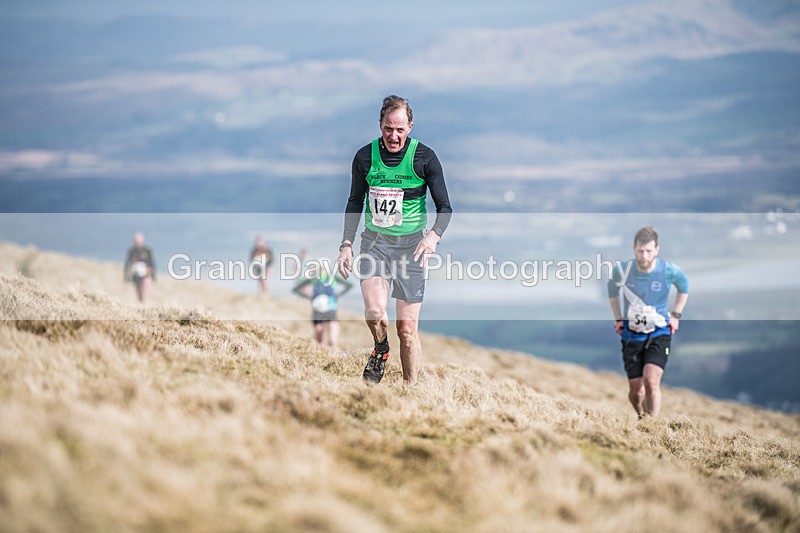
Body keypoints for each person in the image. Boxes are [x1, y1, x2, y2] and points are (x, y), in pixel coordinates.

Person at [337, 95, 453, 386]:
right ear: (380, 125)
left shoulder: (424, 158)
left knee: (407, 329)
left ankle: (409, 388)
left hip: (412, 250)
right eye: (388, 128)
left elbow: (445, 208)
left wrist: (433, 237)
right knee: (375, 311)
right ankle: (380, 348)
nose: (394, 135)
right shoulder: (365, 158)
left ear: (410, 127)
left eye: (400, 129)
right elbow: (354, 202)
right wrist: (346, 245)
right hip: (375, 245)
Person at [607, 226, 689, 418]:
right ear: (634, 249)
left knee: (651, 381)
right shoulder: (622, 271)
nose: (644, 255)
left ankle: (652, 427)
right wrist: (618, 318)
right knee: (636, 392)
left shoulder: (669, 270)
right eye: (640, 251)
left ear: (657, 250)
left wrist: (676, 315)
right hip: (631, 334)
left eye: (649, 251)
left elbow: (684, 288)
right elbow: (612, 292)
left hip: (659, 332)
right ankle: (642, 415)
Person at [292, 259, 353, 348]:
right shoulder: (313, 279)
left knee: (332, 337)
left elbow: (349, 285)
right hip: (317, 309)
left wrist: (338, 295)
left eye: (324, 268)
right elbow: (296, 289)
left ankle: (334, 350)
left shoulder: (332, 278)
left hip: (330, 308)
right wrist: (310, 297)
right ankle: (321, 351)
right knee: (319, 333)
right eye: (320, 268)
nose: (322, 271)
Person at [124, 232, 155, 303]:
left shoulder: (147, 250)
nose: (137, 243)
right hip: (136, 276)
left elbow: (152, 263)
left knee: (144, 291)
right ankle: (141, 305)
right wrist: (126, 276)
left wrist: (152, 275)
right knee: (139, 294)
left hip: (146, 274)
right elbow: (127, 263)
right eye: (136, 241)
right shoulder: (132, 251)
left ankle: (144, 304)